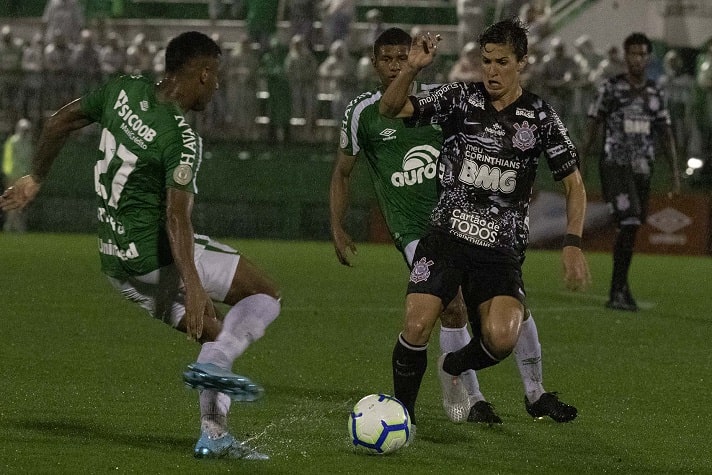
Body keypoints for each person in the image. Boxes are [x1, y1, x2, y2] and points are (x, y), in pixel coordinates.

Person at [0, 31, 281, 460]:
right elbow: (176, 218)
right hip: (156, 256)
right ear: (203, 74)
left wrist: (35, 177)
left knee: (217, 337)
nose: (218, 85)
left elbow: (59, 121)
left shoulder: (122, 91)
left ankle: (215, 435)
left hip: (118, 265)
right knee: (265, 294)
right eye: (217, 76)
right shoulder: (181, 139)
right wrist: (194, 283)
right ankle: (214, 373)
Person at [333, 25, 583, 428]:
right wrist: (411, 69)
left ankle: (454, 366)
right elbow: (391, 109)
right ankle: (403, 417)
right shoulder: (460, 98)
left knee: (502, 337)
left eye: (502, 62)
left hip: (499, 250)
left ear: (522, 63)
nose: (492, 71)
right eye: (486, 61)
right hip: (445, 238)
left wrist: (572, 242)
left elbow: (574, 184)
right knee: (416, 323)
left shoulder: (539, 117)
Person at [581, 32, 680, 312]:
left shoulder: (655, 92)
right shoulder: (610, 88)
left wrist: (674, 172)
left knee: (632, 225)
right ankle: (616, 291)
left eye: (642, 53)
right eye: (633, 53)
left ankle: (622, 289)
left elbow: (665, 132)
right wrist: (581, 163)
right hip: (615, 164)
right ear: (625, 56)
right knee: (629, 220)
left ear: (648, 58)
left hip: (643, 167)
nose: (638, 58)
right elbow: (592, 125)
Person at [2, 118, 33, 232]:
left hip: (23, 177)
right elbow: (8, 159)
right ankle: (11, 226)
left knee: (21, 202)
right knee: (12, 201)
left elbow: (29, 160)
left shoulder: (28, 143)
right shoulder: (13, 142)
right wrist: (9, 175)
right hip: (14, 176)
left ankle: (14, 225)